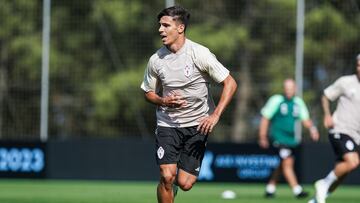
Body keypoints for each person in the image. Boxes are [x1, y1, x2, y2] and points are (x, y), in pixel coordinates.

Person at [140, 5, 237, 203]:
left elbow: (230, 83)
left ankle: (173, 188)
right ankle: (167, 188)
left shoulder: (199, 53)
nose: (160, 30)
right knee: (167, 176)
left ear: (180, 28)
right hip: (168, 125)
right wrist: (163, 101)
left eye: (166, 25)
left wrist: (215, 115)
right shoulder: (155, 60)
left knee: (184, 183)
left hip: (197, 125)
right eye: (160, 25)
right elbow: (148, 93)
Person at [308, 54, 360, 203]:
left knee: (343, 171)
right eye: (358, 65)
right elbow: (326, 96)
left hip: (356, 135)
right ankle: (322, 184)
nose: (359, 68)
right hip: (340, 129)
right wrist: (327, 115)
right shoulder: (346, 82)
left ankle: (316, 199)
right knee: (352, 162)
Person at [258, 78, 319, 199]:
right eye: (286, 88)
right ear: (283, 89)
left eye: (291, 88)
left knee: (282, 163)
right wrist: (262, 136)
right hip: (278, 138)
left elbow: (305, 119)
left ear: (295, 89)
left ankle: (270, 188)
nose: (288, 91)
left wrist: (313, 129)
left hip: (291, 140)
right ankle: (297, 190)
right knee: (287, 162)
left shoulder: (298, 102)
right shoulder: (276, 100)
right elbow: (265, 118)